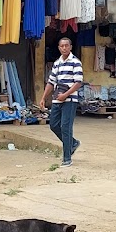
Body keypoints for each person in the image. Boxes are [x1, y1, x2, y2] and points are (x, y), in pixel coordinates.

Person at [40, 36, 82, 167]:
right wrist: (43, 98)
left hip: (70, 100)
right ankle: (73, 143)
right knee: (53, 125)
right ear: (59, 48)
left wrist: (66, 95)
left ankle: (67, 158)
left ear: (70, 47)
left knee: (66, 127)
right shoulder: (57, 63)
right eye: (61, 46)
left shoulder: (75, 62)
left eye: (66, 45)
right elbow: (51, 82)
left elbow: (78, 82)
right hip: (57, 99)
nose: (64, 48)